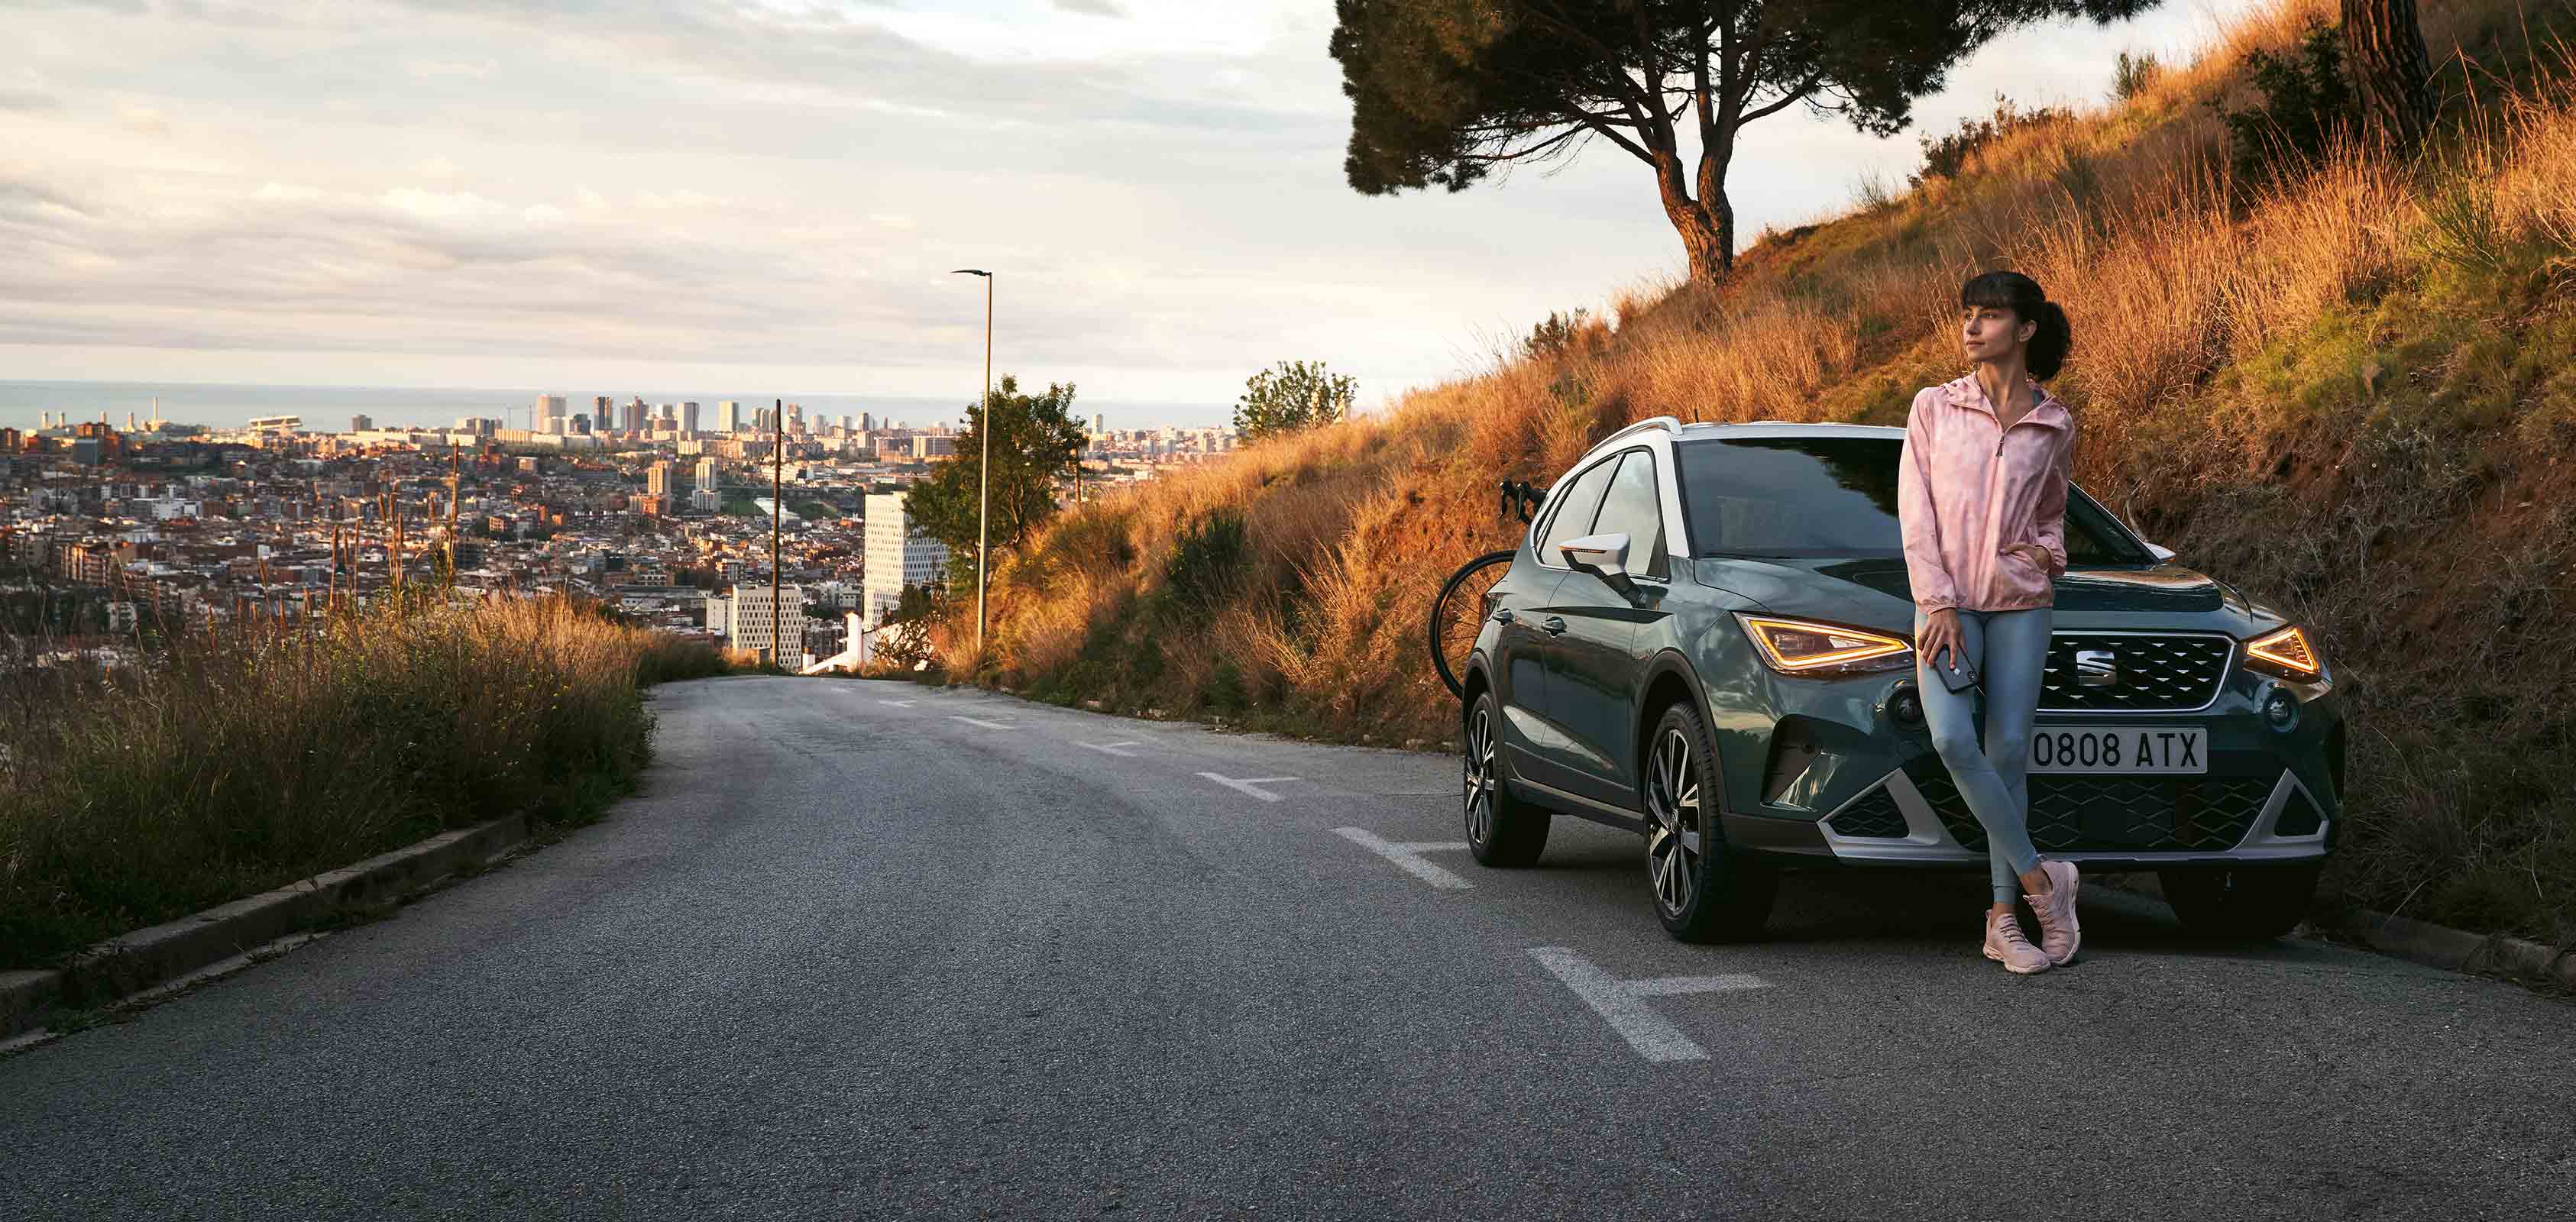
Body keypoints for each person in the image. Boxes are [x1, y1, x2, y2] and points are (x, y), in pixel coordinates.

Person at [1896, 270, 2082, 975]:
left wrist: (2046, 555)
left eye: (1990, 316)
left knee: (2008, 752)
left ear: (2025, 329)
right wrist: (1936, 599)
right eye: (1968, 314)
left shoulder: (2054, 421)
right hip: (1947, 605)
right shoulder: (1934, 409)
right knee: (1950, 737)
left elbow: (2052, 509)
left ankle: (2004, 921)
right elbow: (1917, 512)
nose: (1972, 327)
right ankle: (2045, 883)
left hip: (2021, 604)